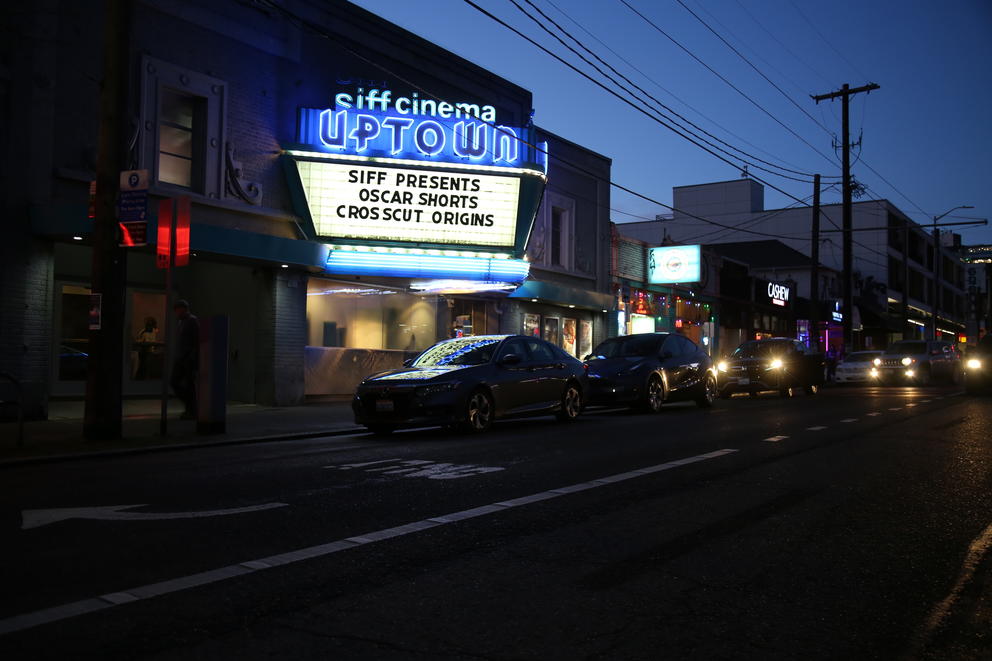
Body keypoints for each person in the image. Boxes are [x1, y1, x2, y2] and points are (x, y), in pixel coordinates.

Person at [171, 300, 199, 420]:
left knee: (188, 384)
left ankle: (191, 409)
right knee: (176, 382)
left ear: (183, 309)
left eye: (177, 310)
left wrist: (192, 357)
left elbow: (196, 340)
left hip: (187, 358)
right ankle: (191, 407)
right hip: (181, 358)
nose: (176, 313)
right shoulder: (181, 322)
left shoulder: (192, 321)